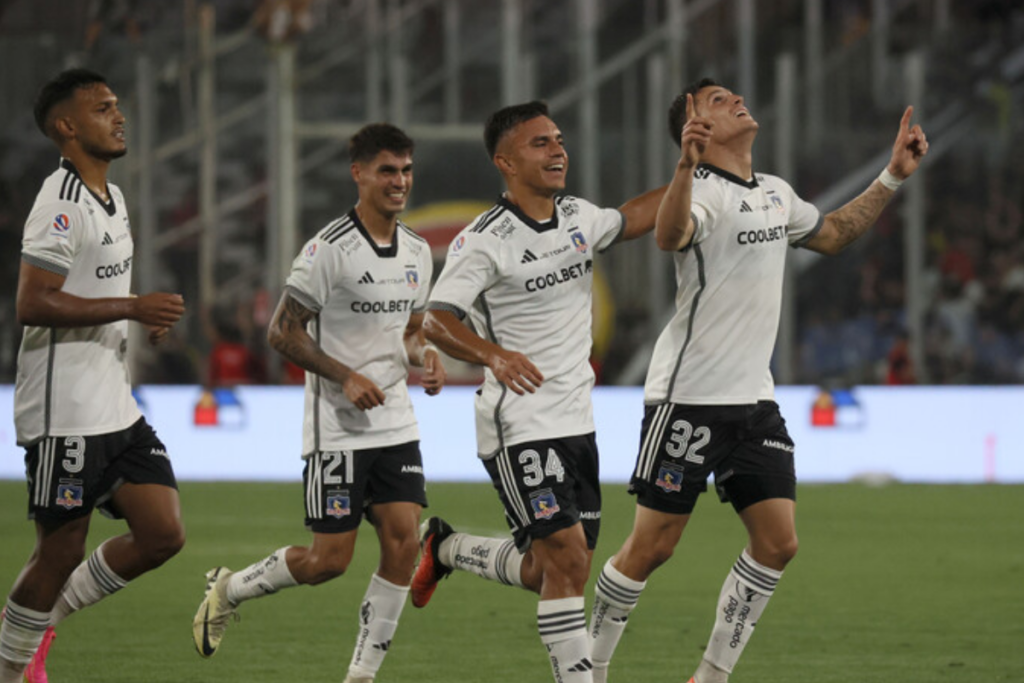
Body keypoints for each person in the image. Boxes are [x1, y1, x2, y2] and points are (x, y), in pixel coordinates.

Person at [587, 78, 928, 683]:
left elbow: (832, 234)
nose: (737, 99)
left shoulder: (775, 192)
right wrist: (684, 167)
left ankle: (710, 677)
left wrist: (893, 175)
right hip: (688, 398)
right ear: (699, 129)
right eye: (717, 101)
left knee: (778, 543)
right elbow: (668, 235)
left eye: (733, 94)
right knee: (652, 548)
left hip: (754, 402)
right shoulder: (701, 193)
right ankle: (586, 669)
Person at [411, 101, 665, 683]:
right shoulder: (485, 240)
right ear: (505, 162)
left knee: (548, 571)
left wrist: (690, 173)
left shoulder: (577, 215)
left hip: (577, 420)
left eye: (558, 140)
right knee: (569, 560)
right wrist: (493, 355)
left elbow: (631, 217)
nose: (557, 150)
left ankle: (446, 549)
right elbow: (438, 320)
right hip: (518, 423)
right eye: (539, 144)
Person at [191, 123, 446, 683]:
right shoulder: (329, 249)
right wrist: (345, 374)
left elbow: (406, 331)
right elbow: (282, 333)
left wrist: (422, 356)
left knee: (403, 545)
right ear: (358, 174)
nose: (399, 181)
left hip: (395, 421)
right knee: (328, 562)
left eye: (405, 169)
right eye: (387, 170)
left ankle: (361, 675)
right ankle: (229, 588)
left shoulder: (419, 251)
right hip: (338, 426)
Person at [0, 69, 186, 683]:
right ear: (67, 127)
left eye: (116, 105)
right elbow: (33, 302)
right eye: (104, 108)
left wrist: (140, 316)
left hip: (115, 404)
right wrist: (133, 306)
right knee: (60, 550)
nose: (119, 115)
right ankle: (10, 665)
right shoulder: (59, 206)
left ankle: (39, 629)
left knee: (162, 533)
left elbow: (92, 286)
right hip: (65, 412)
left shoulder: (113, 195)